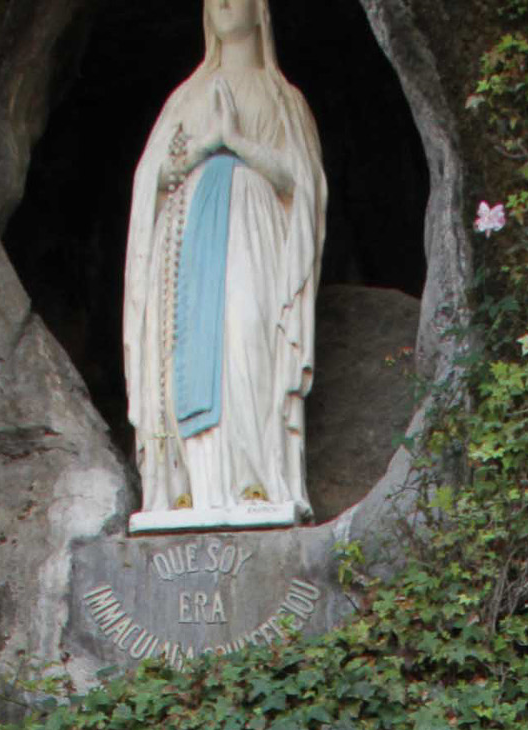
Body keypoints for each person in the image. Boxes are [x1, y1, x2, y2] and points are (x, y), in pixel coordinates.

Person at [123, 0, 327, 523]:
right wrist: (197, 153)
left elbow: (301, 182)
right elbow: (151, 179)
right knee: (183, 348)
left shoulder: (283, 99)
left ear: (261, 10)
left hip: (252, 234)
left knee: (247, 336)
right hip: (185, 241)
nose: (223, 4)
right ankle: (191, 488)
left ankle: (256, 480)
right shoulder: (185, 97)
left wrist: (237, 143)